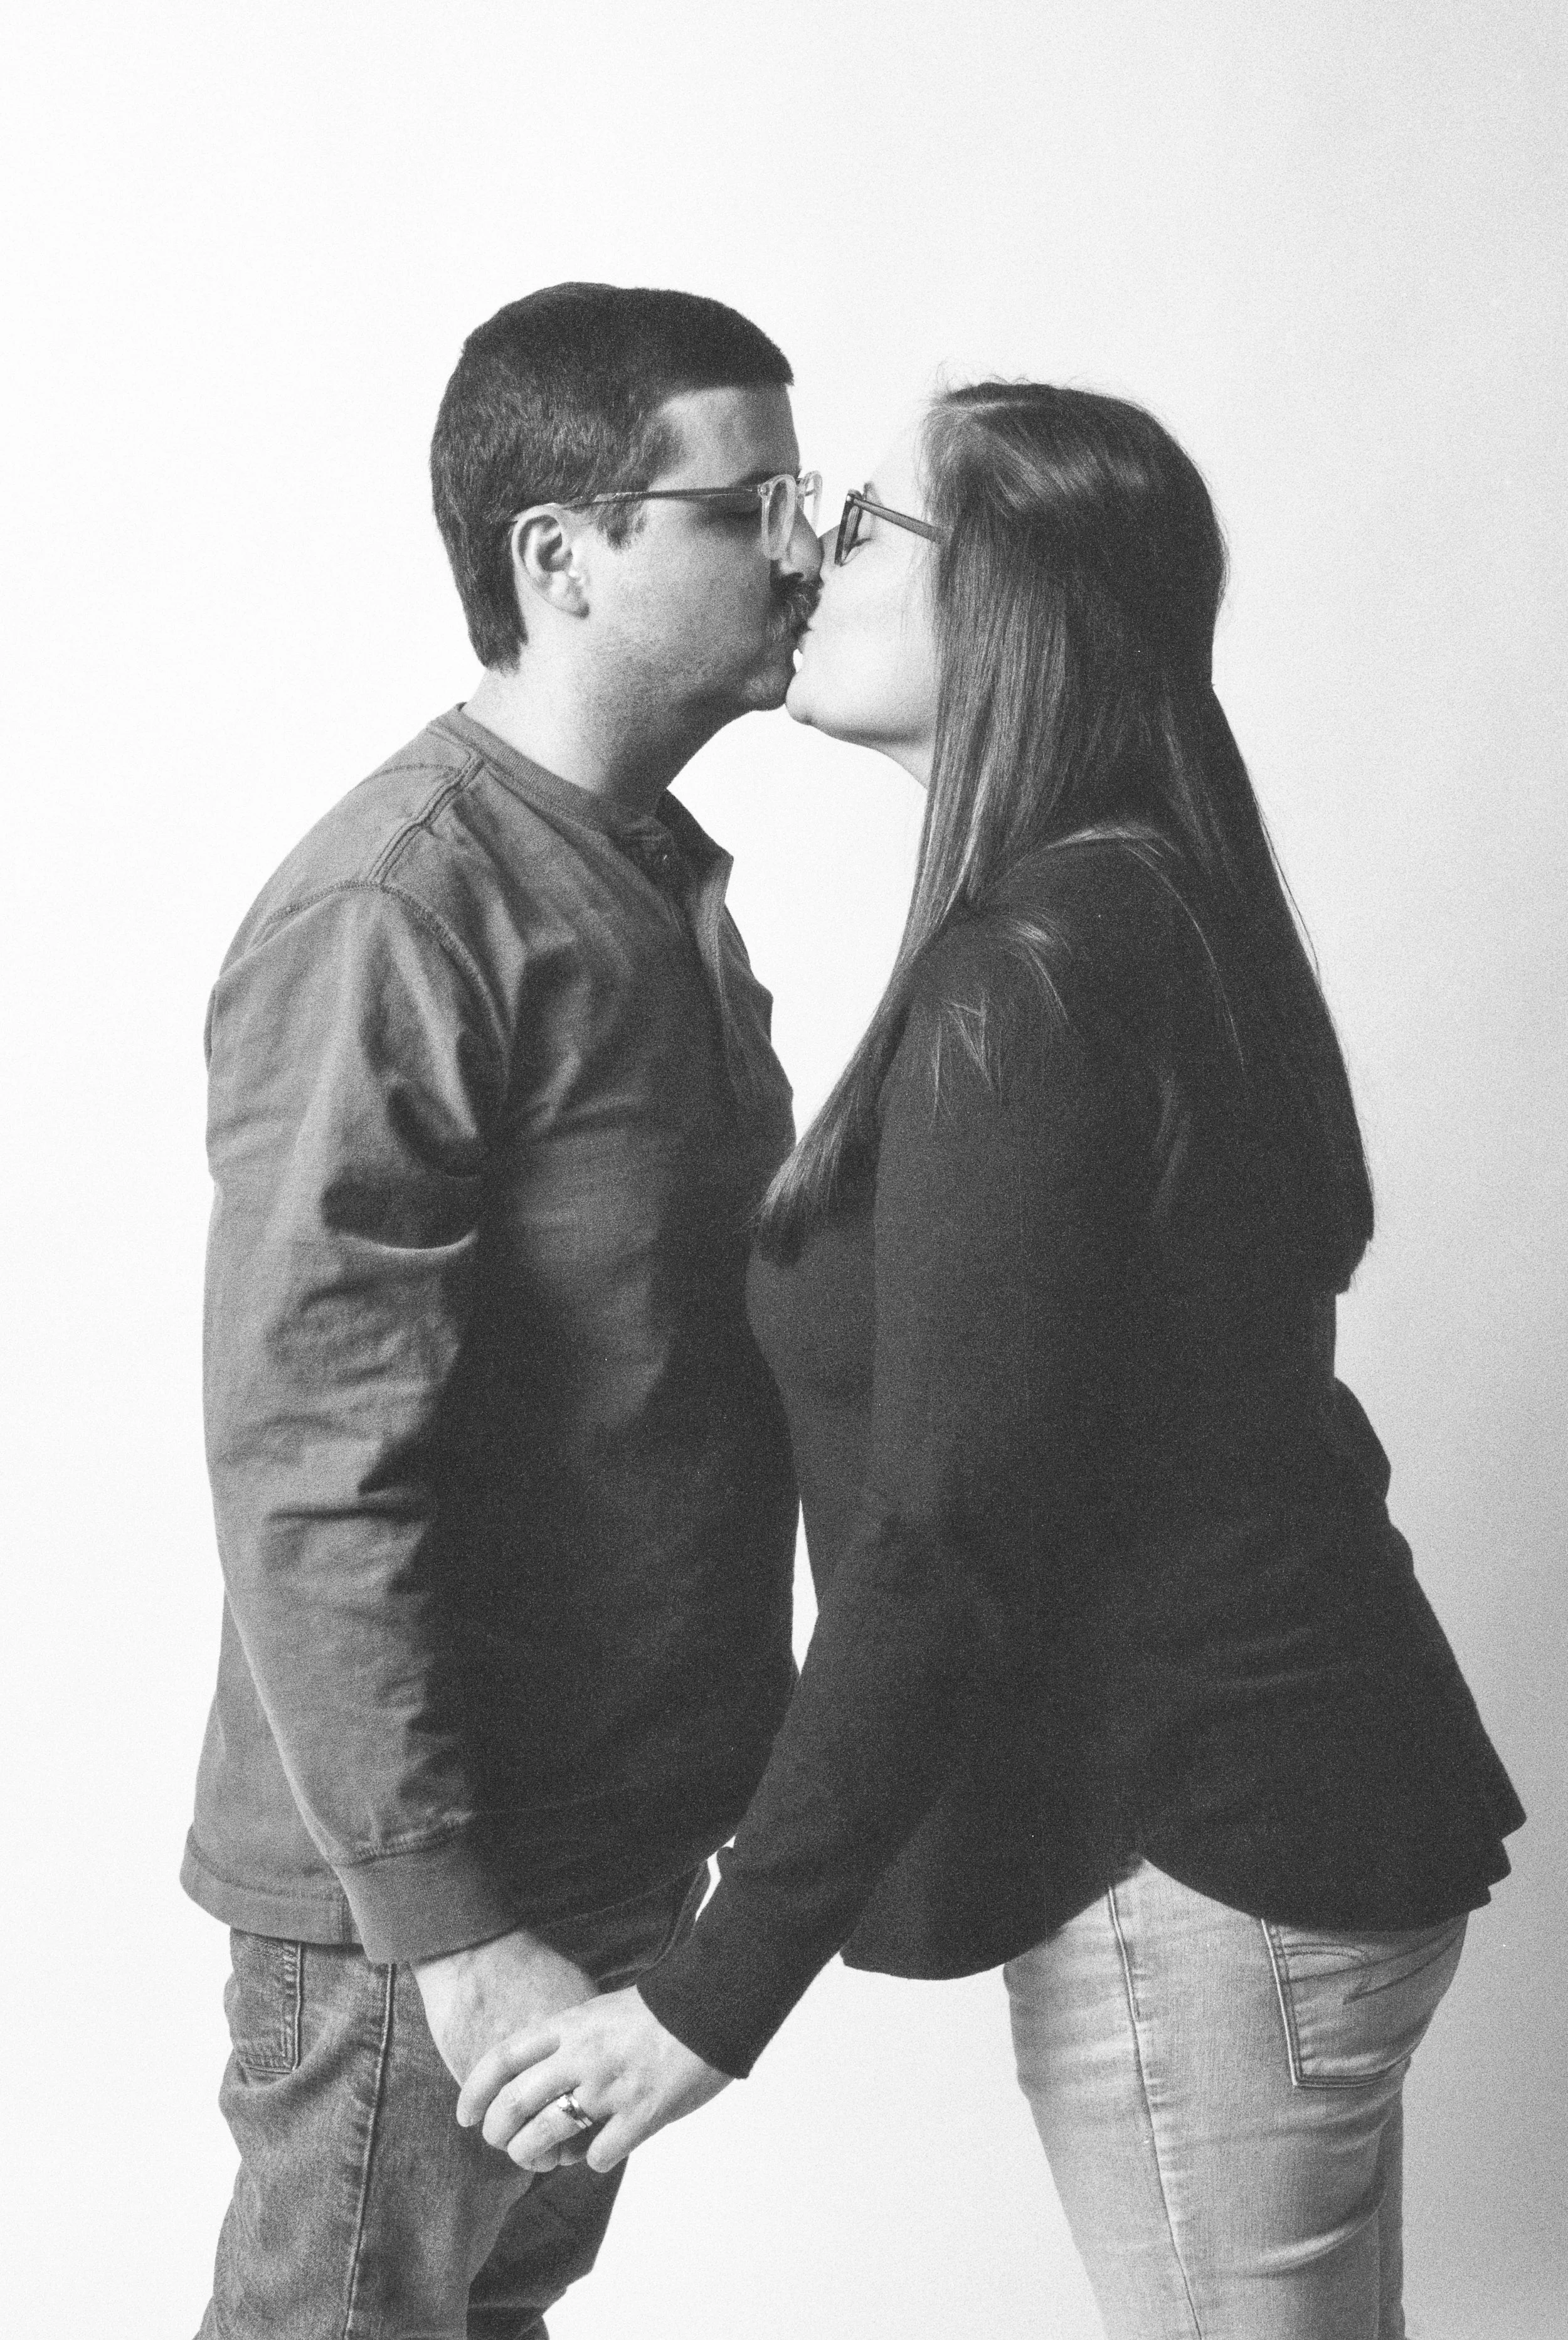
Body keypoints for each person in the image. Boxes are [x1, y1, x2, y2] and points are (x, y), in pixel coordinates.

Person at [457, 381, 1525, 2339]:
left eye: (857, 524)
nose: (801, 552)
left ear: (1010, 598)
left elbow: (954, 1531)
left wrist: (709, 2001)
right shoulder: (1130, 910)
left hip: (1198, 1857)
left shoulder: (1035, 966)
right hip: (1273, 1833)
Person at [183, 281, 822, 2339]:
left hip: (603, 1843)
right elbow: (306, 1462)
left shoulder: (647, 872)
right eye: (750, 507)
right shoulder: (404, 906)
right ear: (562, 555)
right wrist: (453, 1939)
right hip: (435, 1903)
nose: (803, 551)